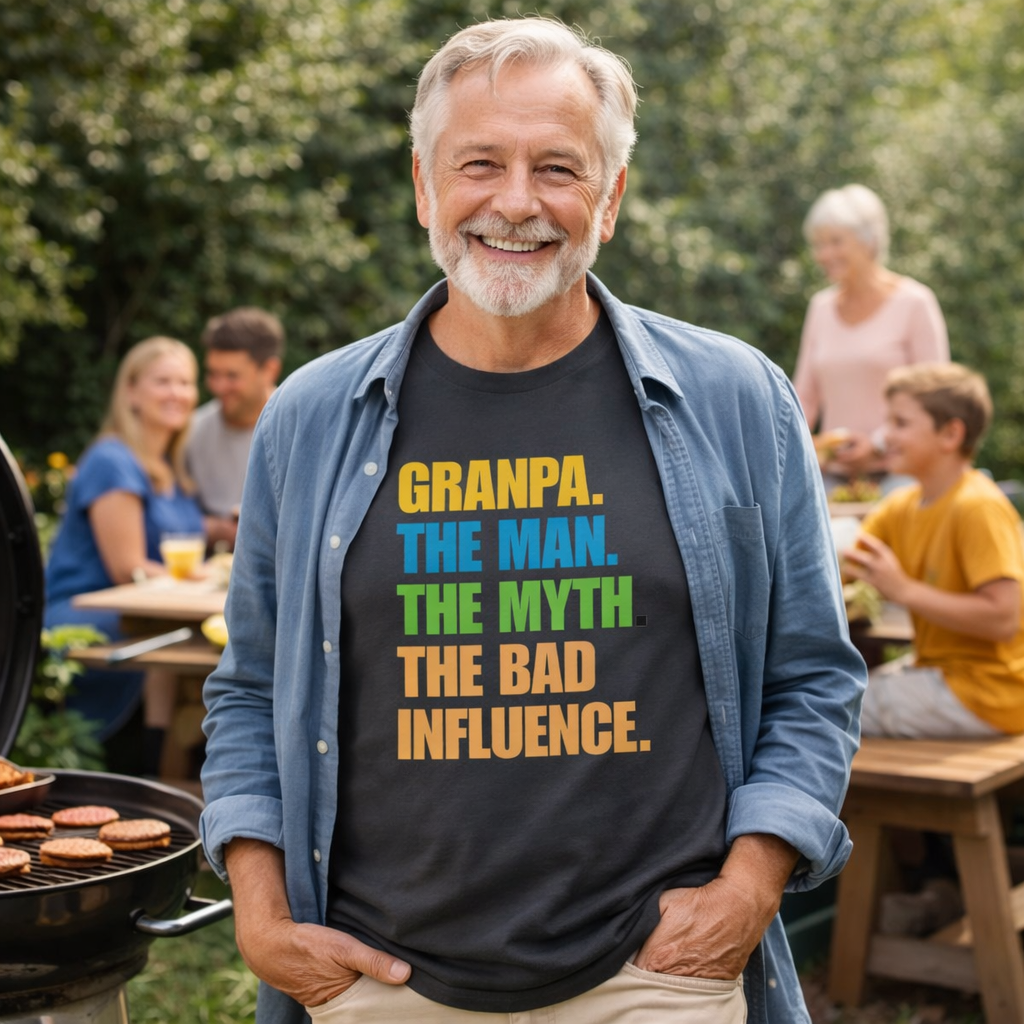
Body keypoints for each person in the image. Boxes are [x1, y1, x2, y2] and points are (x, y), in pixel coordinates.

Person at [200, 18, 865, 1024]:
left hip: (654, 976)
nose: (516, 202)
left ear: (611, 197)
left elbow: (812, 673)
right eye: (478, 164)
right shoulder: (310, 417)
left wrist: (750, 883)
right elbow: (249, 689)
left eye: (558, 166)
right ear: (424, 187)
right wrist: (260, 917)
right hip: (377, 981)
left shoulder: (736, 399)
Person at [44, 336, 205, 768]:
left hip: (141, 614)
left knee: (196, 637)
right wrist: (201, 580)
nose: (177, 393)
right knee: (183, 639)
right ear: (131, 391)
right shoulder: (112, 460)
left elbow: (175, 538)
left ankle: (175, 766)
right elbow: (127, 567)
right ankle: (156, 767)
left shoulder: (170, 468)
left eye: (186, 383)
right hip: (81, 613)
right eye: (163, 381)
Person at [844, 362, 1024, 737]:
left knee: (826, 711)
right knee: (827, 695)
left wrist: (904, 591)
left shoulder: (977, 506)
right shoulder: (901, 505)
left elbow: (1003, 618)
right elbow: (842, 561)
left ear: (951, 434)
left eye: (901, 423)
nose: (885, 436)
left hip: (990, 693)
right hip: (941, 674)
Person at [792, 183, 949, 495]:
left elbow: (934, 395)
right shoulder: (820, 308)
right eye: (819, 244)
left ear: (870, 241)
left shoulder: (915, 303)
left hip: (902, 469)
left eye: (836, 242)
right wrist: (802, 445)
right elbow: (804, 397)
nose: (824, 254)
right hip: (835, 474)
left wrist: (877, 444)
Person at [186, 306, 283, 549]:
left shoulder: (301, 429)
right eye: (212, 374)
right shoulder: (191, 431)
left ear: (269, 370)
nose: (219, 387)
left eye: (232, 376)